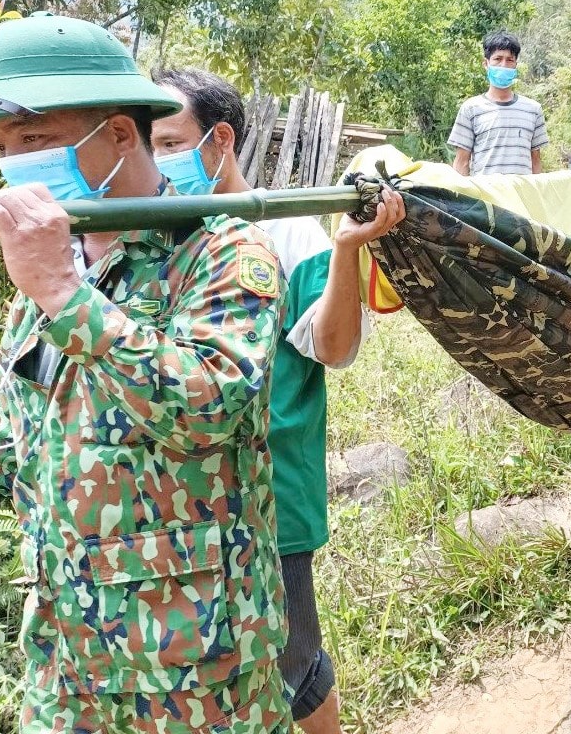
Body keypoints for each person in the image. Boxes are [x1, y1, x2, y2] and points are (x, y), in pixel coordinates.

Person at [0, 14, 291, 732]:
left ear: (121, 134)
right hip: (67, 647)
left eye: (33, 140)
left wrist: (64, 297)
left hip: (193, 653)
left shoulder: (220, 251)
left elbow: (209, 409)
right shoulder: (55, 262)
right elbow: (20, 412)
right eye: (2, 148)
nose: (11, 166)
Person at [150, 68, 404, 734]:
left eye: (169, 141)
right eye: (146, 145)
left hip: (270, 494)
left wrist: (347, 250)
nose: (157, 160)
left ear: (219, 139)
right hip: (177, 498)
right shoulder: (156, 238)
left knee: (291, 663)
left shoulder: (289, 233)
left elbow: (333, 346)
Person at [449, 30, 549, 176]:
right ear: (486, 64)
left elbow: (536, 162)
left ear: (515, 65)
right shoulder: (471, 109)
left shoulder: (533, 110)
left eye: (509, 60)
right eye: (498, 59)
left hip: (521, 197)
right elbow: (461, 163)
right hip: (485, 197)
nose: (503, 65)